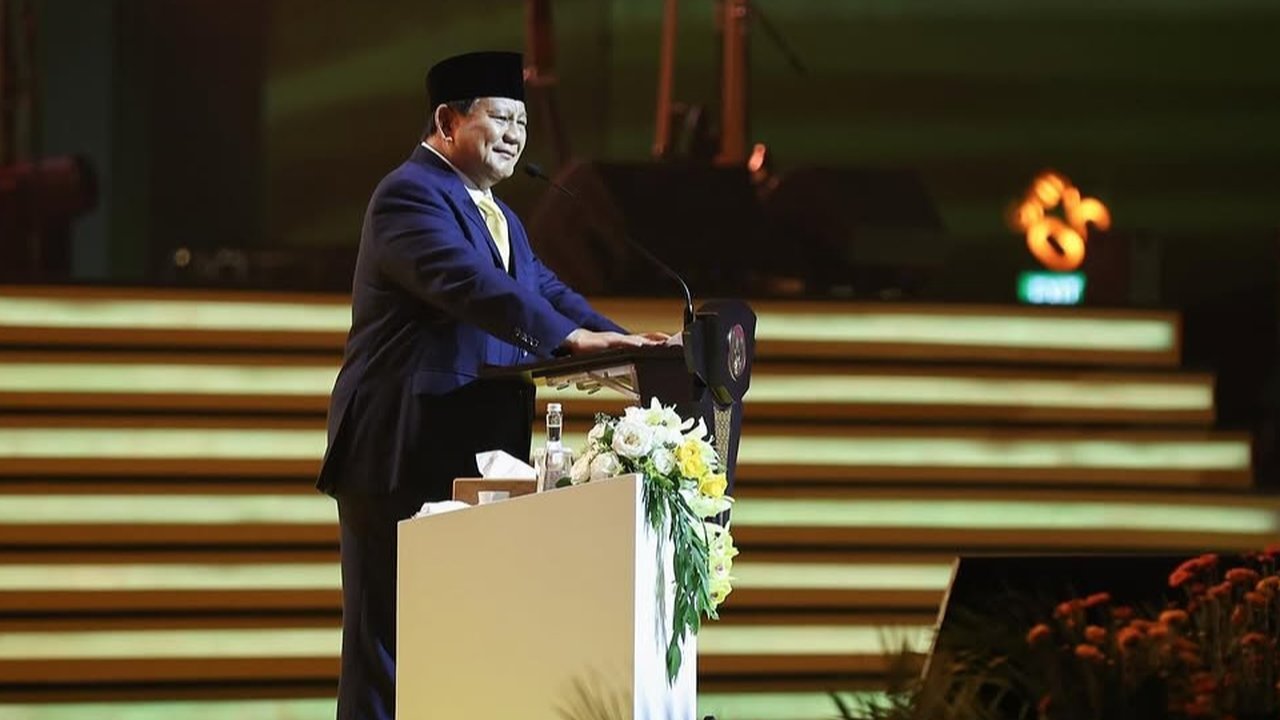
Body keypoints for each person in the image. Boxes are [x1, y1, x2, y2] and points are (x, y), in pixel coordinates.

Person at [316, 50, 661, 720]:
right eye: (501, 118)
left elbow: (545, 291)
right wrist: (570, 339)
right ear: (448, 121)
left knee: (457, 642)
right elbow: (470, 284)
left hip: (469, 450)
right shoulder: (409, 194)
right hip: (401, 449)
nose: (515, 136)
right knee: (387, 650)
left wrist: (625, 347)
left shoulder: (495, 213)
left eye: (522, 124)